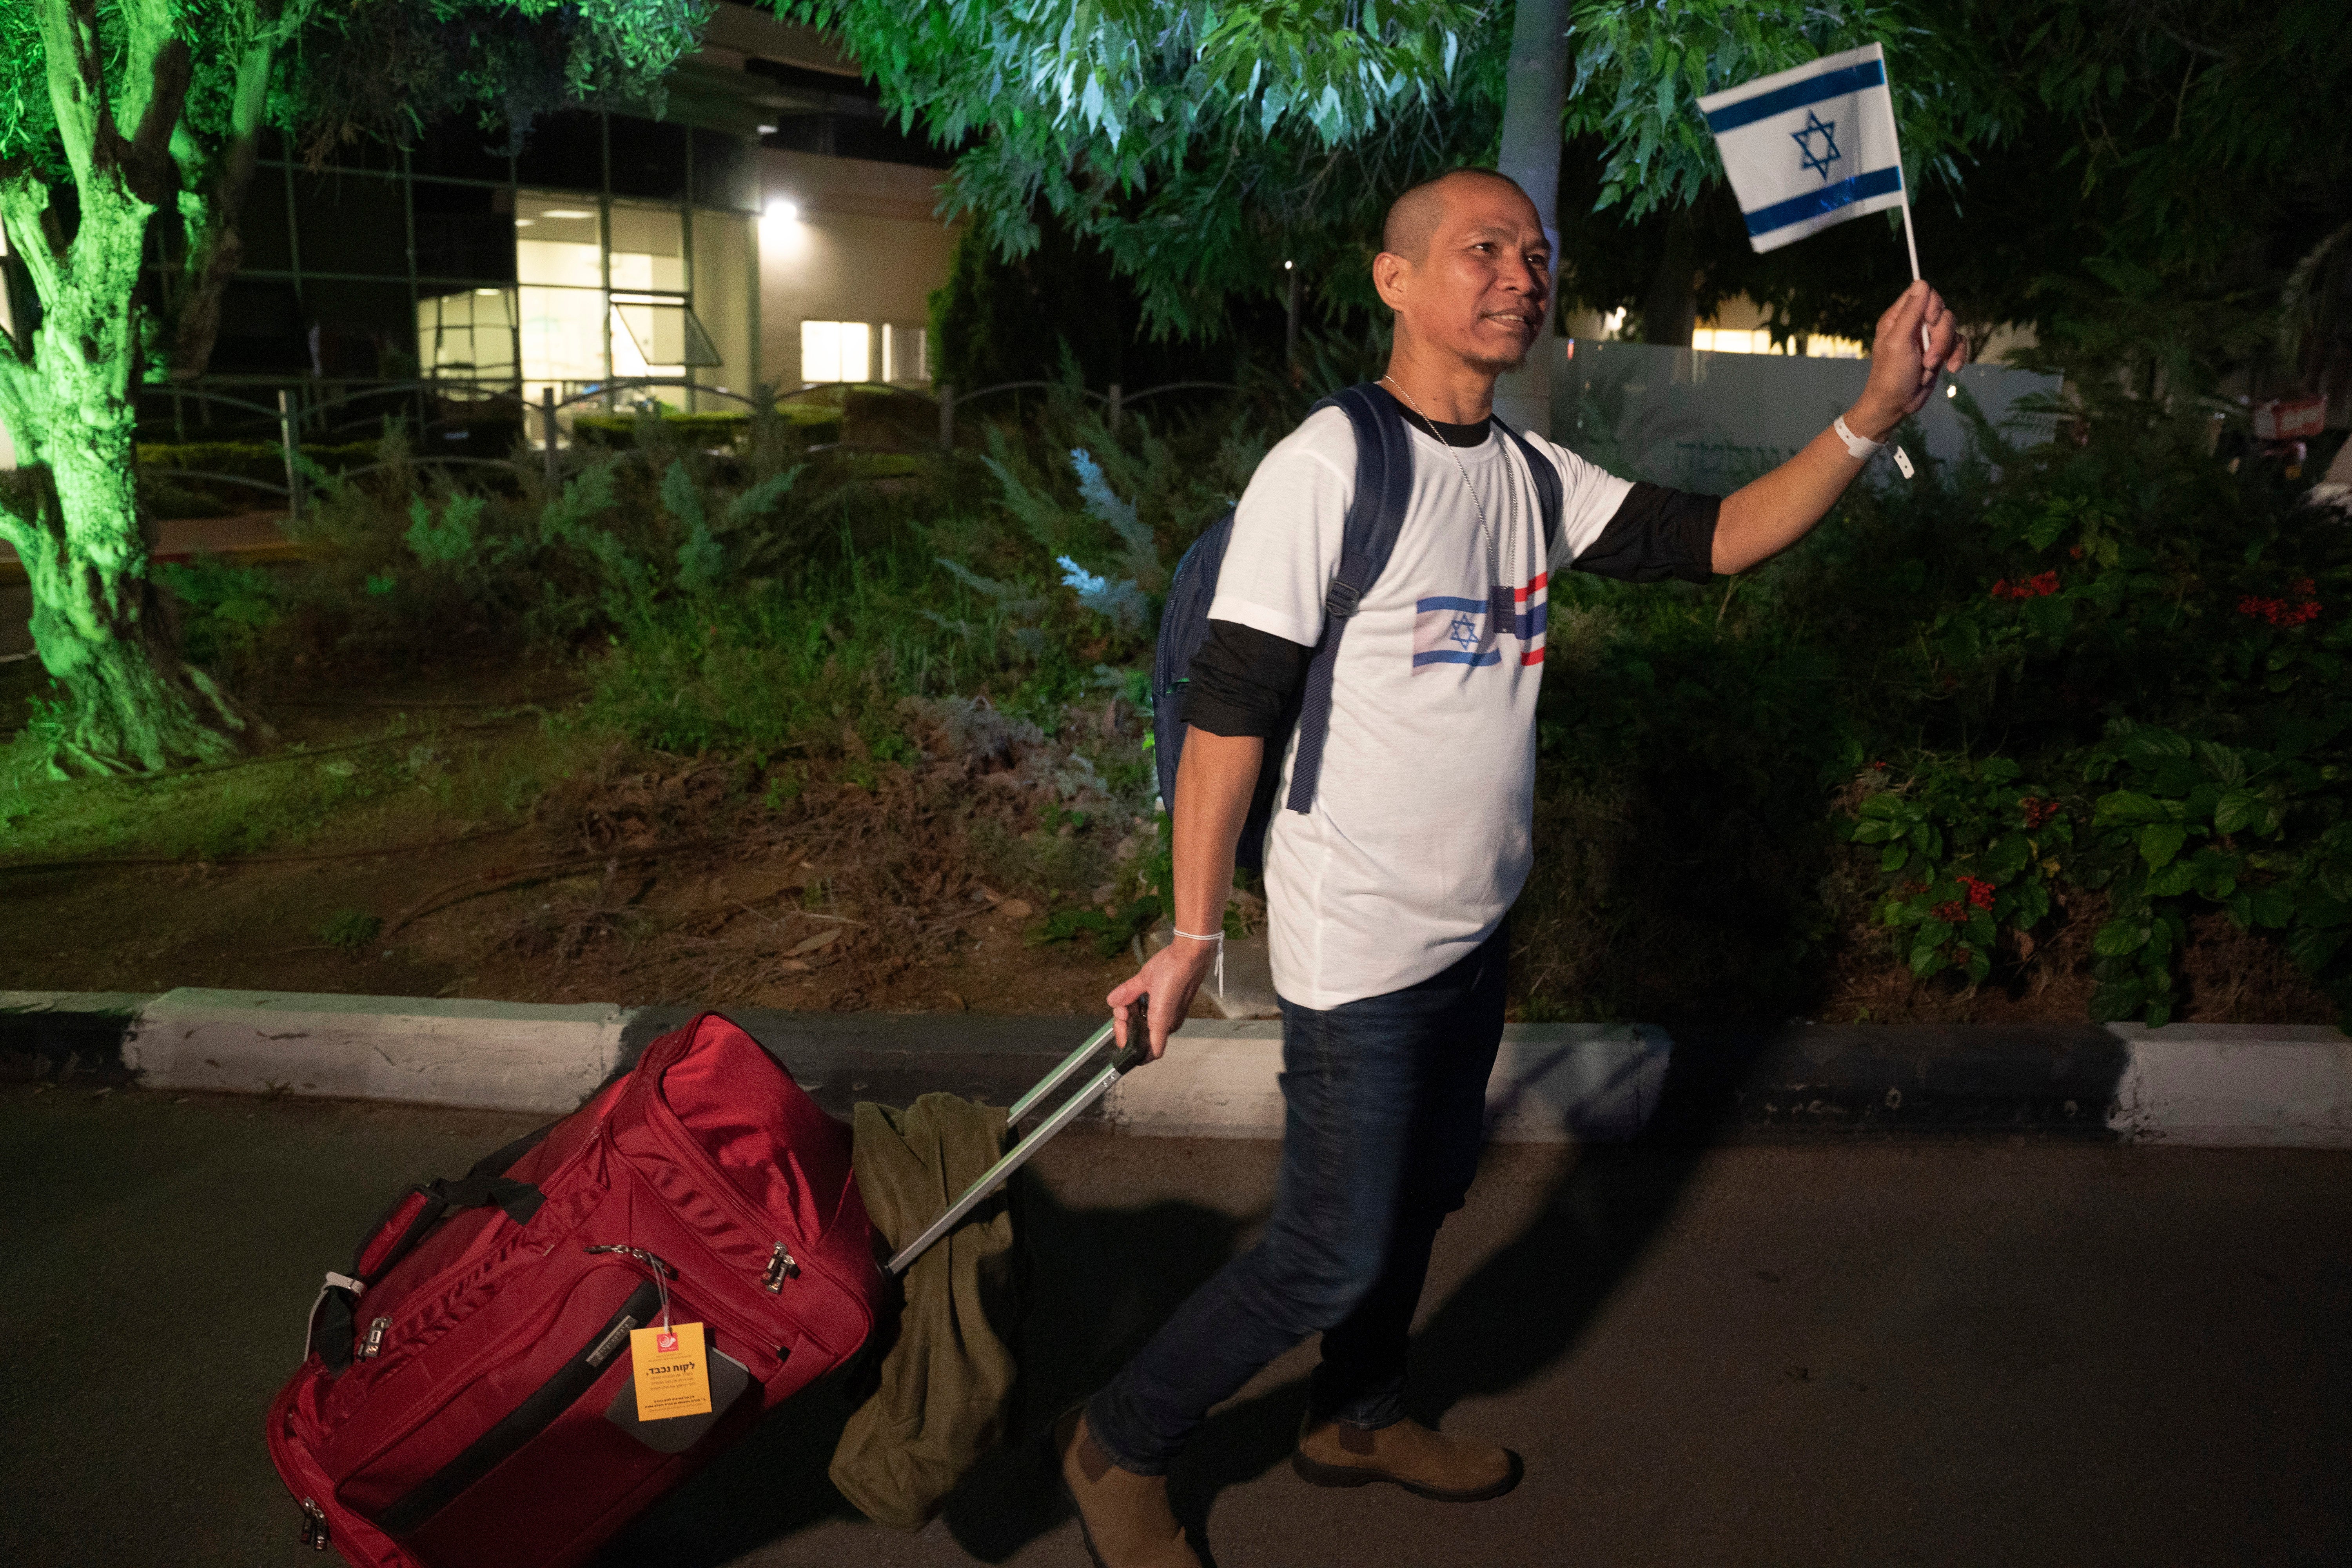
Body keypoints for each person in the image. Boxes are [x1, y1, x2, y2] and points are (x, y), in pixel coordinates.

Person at [1055, 167, 1967, 1568]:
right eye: (1483, 250)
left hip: (1472, 929)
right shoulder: (1331, 464)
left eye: (1535, 256)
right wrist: (1190, 934)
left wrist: (1871, 413)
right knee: (1327, 1248)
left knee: (1422, 1195)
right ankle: (1122, 1441)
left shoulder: (1531, 475)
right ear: (1396, 281)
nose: (1520, 276)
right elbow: (1234, 701)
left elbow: (1712, 540)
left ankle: (1355, 1415)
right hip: (1355, 939)